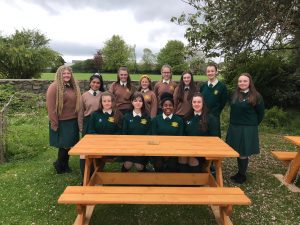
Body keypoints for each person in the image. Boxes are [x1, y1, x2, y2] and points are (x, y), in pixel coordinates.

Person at [226, 73, 264, 184]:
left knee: (243, 152)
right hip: (234, 126)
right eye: (240, 81)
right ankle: (239, 172)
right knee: (237, 151)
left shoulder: (256, 96)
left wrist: (252, 125)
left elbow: (260, 114)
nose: (242, 83)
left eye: (245, 81)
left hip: (248, 127)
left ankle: (242, 175)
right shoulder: (234, 94)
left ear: (250, 82)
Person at [46, 65, 81, 174]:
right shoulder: (54, 87)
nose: (66, 75)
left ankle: (63, 164)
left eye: (68, 73)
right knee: (64, 145)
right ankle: (60, 165)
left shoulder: (71, 86)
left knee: (69, 145)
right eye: (64, 73)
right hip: (62, 122)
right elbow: (51, 106)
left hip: (72, 121)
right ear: (59, 74)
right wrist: (54, 123)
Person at [180, 93, 218, 172]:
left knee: (192, 160)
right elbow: (183, 135)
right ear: (191, 103)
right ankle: (183, 182)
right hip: (188, 148)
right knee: (181, 159)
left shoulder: (210, 119)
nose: (196, 104)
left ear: (203, 103)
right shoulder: (187, 117)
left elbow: (215, 139)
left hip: (203, 150)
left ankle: (195, 183)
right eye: (194, 102)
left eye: (199, 102)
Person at [78, 73, 105, 178]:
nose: (95, 84)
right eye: (93, 82)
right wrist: (81, 127)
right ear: (90, 83)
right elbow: (80, 112)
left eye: (98, 83)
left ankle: (97, 172)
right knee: (84, 150)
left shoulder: (103, 95)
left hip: (99, 122)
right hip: (87, 122)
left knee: (98, 148)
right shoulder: (84, 95)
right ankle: (85, 175)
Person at [151, 92, 184, 172]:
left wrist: (171, 152)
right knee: (158, 165)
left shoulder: (179, 120)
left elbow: (180, 137)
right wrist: (160, 152)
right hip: (158, 150)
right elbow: (153, 136)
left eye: (170, 105)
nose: (168, 107)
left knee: (172, 167)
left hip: (174, 150)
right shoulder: (156, 120)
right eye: (165, 105)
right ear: (162, 107)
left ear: (173, 107)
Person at [122, 92, 151, 172]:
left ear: (143, 103)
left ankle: (144, 177)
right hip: (129, 147)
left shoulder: (147, 117)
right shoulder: (127, 117)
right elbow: (124, 133)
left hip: (142, 147)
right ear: (132, 102)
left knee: (139, 166)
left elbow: (149, 133)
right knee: (128, 165)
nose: (138, 103)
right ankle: (121, 180)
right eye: (135, 101)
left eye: (140, 101)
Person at [200, 64, 227, 137]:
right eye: (208, 71)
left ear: (216, 72)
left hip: (214, 117)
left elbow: (223, 102)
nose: (210, 73)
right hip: (203, 116)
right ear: (206, 73)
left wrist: (215, 112)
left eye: (212, 71)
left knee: (214, 138)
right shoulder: (203, 86)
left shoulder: (222, 87)